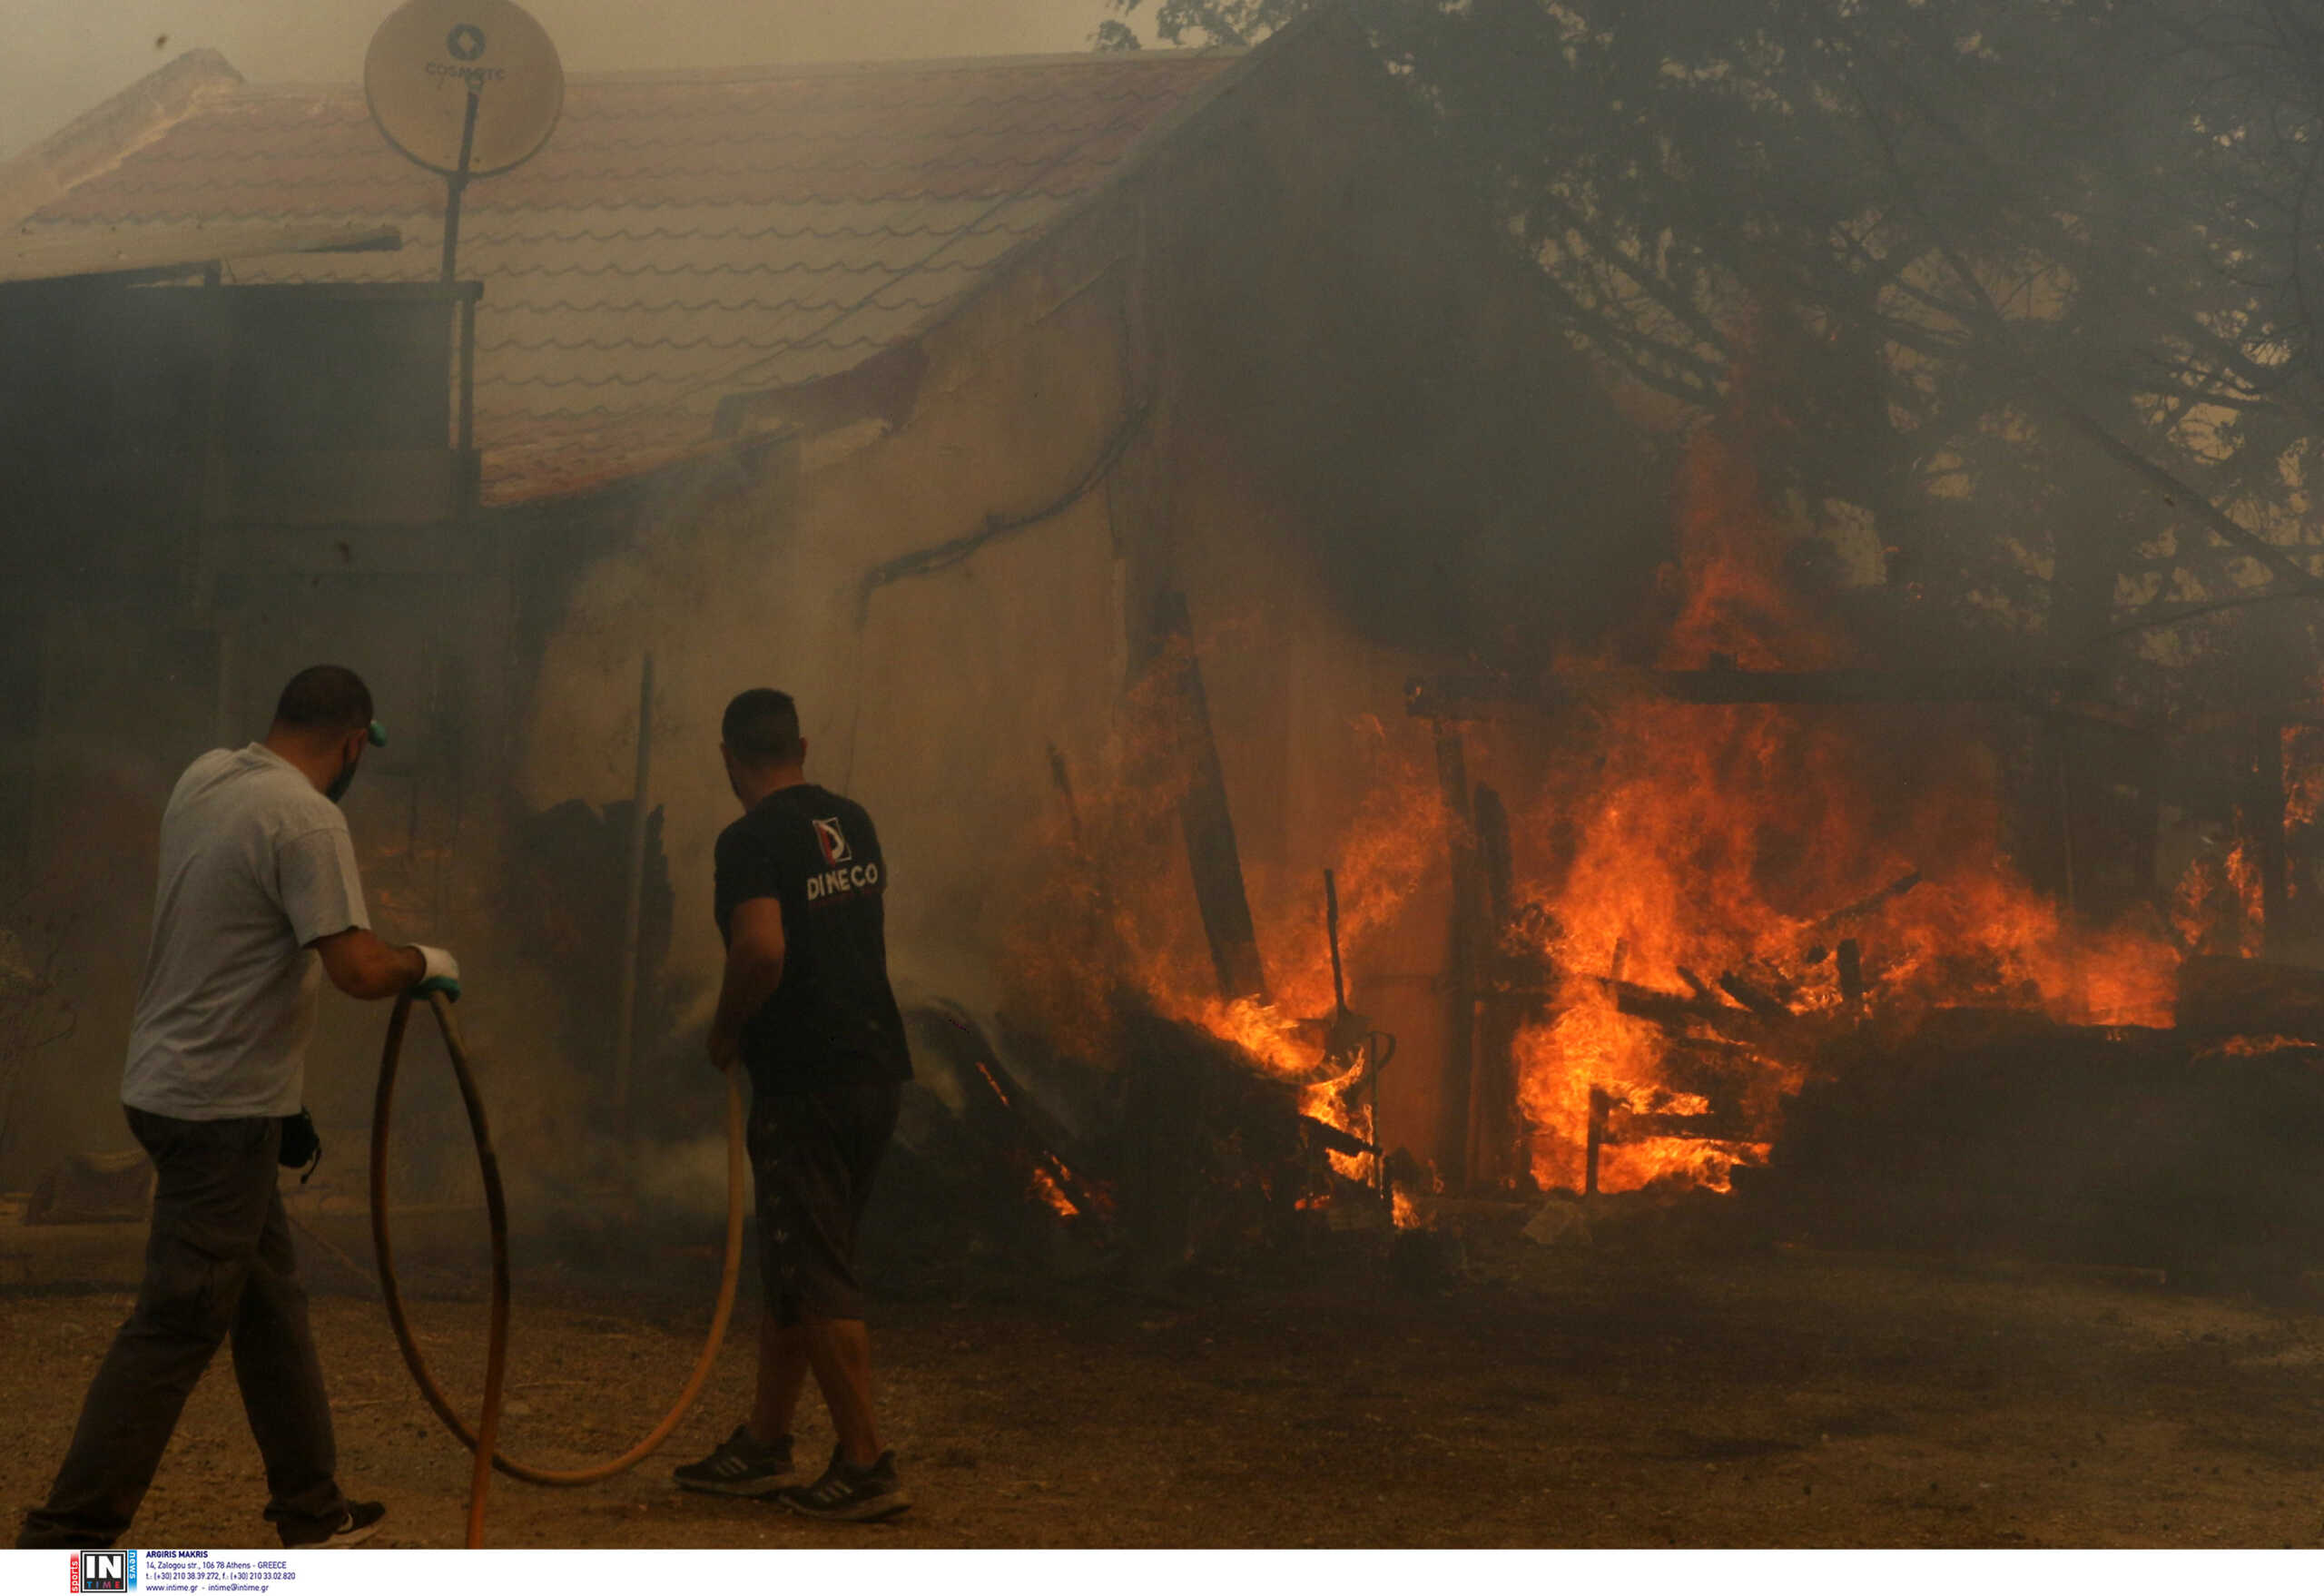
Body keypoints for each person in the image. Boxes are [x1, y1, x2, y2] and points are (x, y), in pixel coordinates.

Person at [16, 665, 459, 1552]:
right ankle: (65, 1542)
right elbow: (359, 969)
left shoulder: (206, 776)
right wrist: (426, 962)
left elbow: (240, 931)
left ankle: (312, 1509)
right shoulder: (308, 818)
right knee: (176, 1324)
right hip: (215, 1111)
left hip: (179, 1087)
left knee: (268, 1308)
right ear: (348, 745)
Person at [673, 688, 912, 1522]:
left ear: (730, 757)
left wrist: (726, 1030)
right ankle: (765, 1446)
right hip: (875, 1069)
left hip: (805, 1079)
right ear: (802, 745)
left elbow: (762, 948)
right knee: (796, 1260)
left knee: (815, 1271)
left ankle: (866, 1462)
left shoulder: (748, 840)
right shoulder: (855, 821)